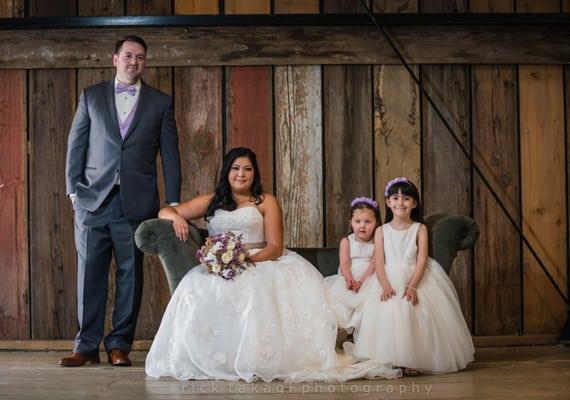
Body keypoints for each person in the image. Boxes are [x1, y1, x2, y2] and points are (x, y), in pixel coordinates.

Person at [145, 147, 400, 382]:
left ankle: (257, 358)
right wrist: (176, 219)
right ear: (227, 172)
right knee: (195, 287)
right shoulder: (212, 201)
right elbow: (164, 211)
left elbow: (275, 246)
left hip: (261, 259)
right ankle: (210, 357)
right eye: (235, 168)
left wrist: (244, 260)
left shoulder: (265, 200)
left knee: (256, 291)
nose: (241, 174)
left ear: (254, 173)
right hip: (222, 265)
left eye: (247, 169)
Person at [61, 35, 181, 367]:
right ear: (115, 59)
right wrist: (74, 192)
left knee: (131, 275)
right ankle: (85, 346)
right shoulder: (91, 96)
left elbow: (170, 156)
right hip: (92, 202)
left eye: (140, 58)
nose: (134, 62)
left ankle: (119, 346)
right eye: (128, 56)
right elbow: (76, 146)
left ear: (145, 62)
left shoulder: (160, 103)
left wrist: (171, 202)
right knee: (89, 274)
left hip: (136, 204)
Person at [354, 177, 474, 375]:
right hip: (388, 277)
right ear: (388, 202)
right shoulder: (381, 231)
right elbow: (379, 262)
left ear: (414, 203)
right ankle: (391, 358)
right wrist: (384, 285)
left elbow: (421, 259)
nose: (400, 202)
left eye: (406, 198)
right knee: (389, 310)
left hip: (416, 276)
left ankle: (414, 359)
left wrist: (412, 286)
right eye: (395, 198)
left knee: (412, 309)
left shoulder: (420, 229)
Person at [325, 197, 381, 331]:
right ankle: (343, 330)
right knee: (341, 299)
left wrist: (362, 281)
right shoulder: (347, 241)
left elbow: (374, 264)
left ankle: (362, 330)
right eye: (358, 221)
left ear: (376, 223)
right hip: (349, 275)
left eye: (367, 221)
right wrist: (349, 279)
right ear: (351, 222)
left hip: (370, 276)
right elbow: (344, 263)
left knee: (369, 300)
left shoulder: (377, 241)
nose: (362, 225)